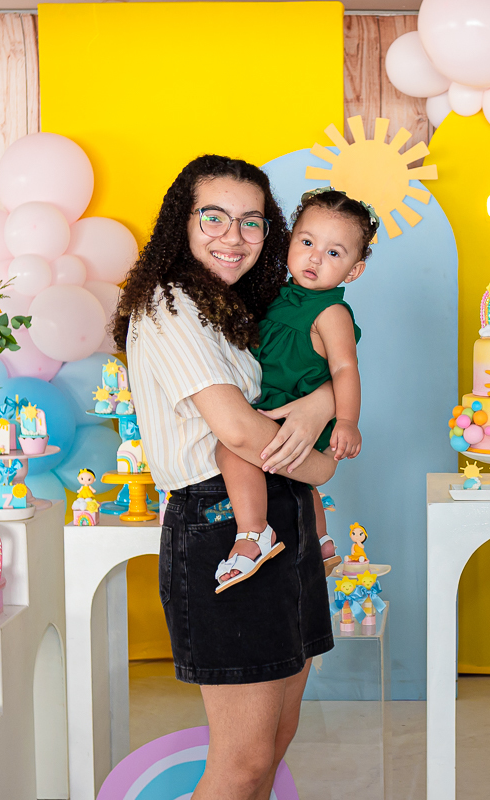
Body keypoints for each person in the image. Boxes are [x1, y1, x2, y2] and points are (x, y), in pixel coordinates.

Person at [114, 154, 337, 799]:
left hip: (281, 508)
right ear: (180, 223)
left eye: (252, 221)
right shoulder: (169, 303)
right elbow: (238, 429)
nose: (233, 236)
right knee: (242, 759)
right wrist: (321, 463)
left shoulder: (240, 308)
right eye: (213, 217)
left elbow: (315, 386)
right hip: (222, 523)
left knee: (276, 740)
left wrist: (323, 403)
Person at [214, 187, 378, 591]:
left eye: (334, 253)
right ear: (289, 242)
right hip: (273, 402)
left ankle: (254, 533)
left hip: (292, 407)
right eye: (307, 243)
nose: (315, 258)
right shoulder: (278, 297)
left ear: (353, 271)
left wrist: (347, 421)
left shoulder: (331, 312)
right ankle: (321, 540)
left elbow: (345, 369)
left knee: (230, 449)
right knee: (295, 482)